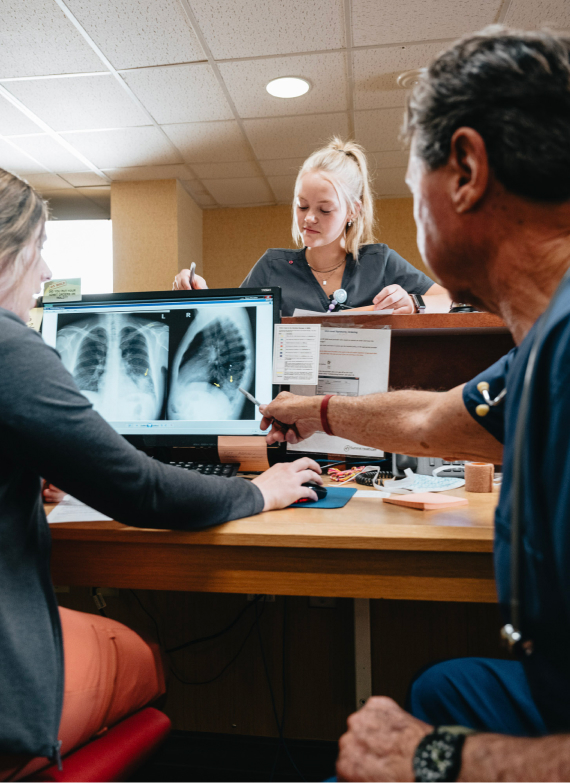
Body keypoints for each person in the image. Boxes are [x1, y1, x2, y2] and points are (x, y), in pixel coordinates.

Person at [0, 155, 322, 780]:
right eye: (37, 249)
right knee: (144, 653)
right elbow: (140, 489)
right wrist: (261, 492)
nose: (45, 272)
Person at [261, 26, 570, 782]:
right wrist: (319, 410)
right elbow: (436, 421)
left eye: (410, 176)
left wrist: (431, 758)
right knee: (444, 684)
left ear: (464, 169)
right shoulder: (540, 354)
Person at [173, 138, 447, 316]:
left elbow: (452, 301)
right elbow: (232, 320)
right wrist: (199, 297)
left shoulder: (380, 263)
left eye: (324, 209)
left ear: (353, 211)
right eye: (302, 206)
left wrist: (414, 302)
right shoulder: (272, 267)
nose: (309, 218)